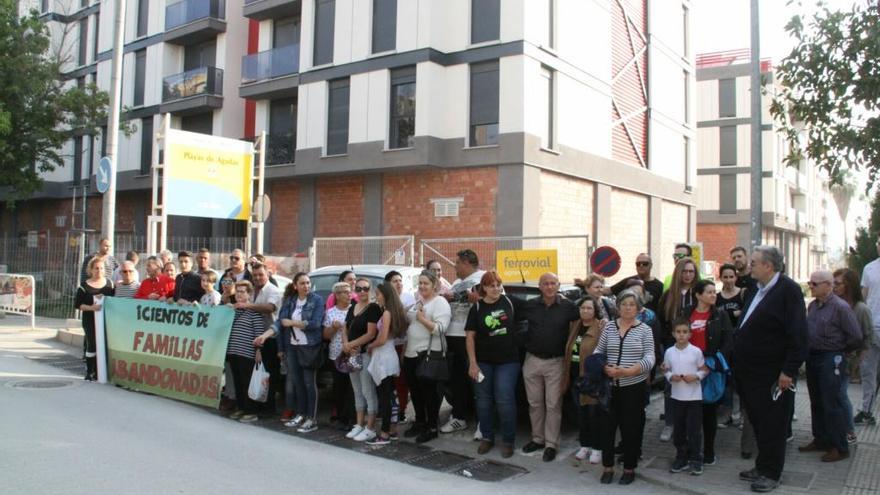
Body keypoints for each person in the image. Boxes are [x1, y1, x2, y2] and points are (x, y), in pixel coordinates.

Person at [733, 246, 808, 493]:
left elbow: (798, 334)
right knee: (757, 421)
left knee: (773, 424)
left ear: (769, 266)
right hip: (749, 372)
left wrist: (788, 371)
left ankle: (771, 473)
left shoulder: (788, 291)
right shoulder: (756, 288)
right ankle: (761, 465)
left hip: (773, 373)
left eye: (754, 262)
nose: (749, 266)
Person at [798, 270, 862, 462]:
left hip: (831, 357)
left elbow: (856, 336)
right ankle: (821, 439)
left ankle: (839, 446)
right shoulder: (813, 307)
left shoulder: (840, 307)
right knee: (817, 399)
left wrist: (840, 352)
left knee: (831, 402)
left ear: (828, 285)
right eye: (810, 283)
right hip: (814, 356)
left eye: (814, 284)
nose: (810, 286)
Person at [595, 290, 656, 485]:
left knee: (631, 429)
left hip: (633, 388)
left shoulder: (645, 330)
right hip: (609, 388)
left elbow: (650, 358)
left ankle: (629, 468)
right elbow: (599, 351)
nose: (628, 307)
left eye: (632, 304)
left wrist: (629, 372)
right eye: (624, 304)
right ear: (618, 307)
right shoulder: (609, 328)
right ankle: (607, 467)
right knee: (606, 429)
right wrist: (603, 366)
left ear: (638, 308)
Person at [520, 272, 580, 462]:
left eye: (553, 283)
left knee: (553, 404)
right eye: (545, 283)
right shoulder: (530, 305)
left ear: (558, 285)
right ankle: (537, 439)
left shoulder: (568, 307)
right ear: (540, 286)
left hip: (556, 362)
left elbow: (586, 318)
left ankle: (551, 444)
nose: (549, 287)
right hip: (532, 360)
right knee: (535, 403)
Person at [255, 272, 324, 432]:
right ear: (295, 286)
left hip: (309, 346)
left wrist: (293, 322)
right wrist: (265, 336)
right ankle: (300, 414)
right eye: (302, 283)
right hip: (291, 346)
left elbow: (315, 323)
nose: (306, 286)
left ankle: (311, 418)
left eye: (308, 283)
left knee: (309, 383)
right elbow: (280, 322)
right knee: (298, 382)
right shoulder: (290, 301)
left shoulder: (317, 300)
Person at [466, 271, 522, 458]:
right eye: (491, 285)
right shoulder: (477, 308)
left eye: (498, 284)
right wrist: (473, 363)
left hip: (508, 361)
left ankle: (508, 441)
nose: (496, 288)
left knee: (504, 398)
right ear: (484, 288)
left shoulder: (510, 302)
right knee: (483, 401)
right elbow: (470, 337)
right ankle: (487, 438)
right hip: (483, 362)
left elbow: (535, 307)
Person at [687, 279, 733, 466]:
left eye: (715, 292)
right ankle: (691, 451)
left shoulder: (720, 315)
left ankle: (709, 451)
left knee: (708, 413)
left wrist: (712, 364)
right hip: (688, 367)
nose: (714, 295)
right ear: (698, 295)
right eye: (709, 292)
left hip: (709, 368)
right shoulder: (686, 313)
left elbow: (728, 342)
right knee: (690, 413)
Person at [403, 270, 452, 444]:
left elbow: (440, 329)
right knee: (415, 393)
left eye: (426, 283)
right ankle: (420, 422)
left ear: (434, 285)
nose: (422, 286)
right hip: (411, 353)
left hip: (428, 355)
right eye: (420, 283)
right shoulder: (419, 301)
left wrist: (422, 319)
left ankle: (432, 427)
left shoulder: (440, 303)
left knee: (430, 394)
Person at [441, 249, 485, 434]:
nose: (455, 267)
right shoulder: (457, 282)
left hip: (473, 338)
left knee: (479, 381)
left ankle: (484, 422)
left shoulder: (485, 278)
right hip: (453, 337)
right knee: (456, 380)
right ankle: (458, 417)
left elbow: (493, 303)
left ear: (466, 263)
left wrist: (477, 300)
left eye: (457, 263)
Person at [658, 257, 701, 442]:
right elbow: (661, 321)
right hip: (671, 346)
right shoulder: (668, 295)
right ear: (678, 273)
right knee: (671, 385)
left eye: (691, 271)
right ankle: (670, 423)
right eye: (684, 271)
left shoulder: (699, 292)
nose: (688, 275)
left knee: (694, 383)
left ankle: (692, 426)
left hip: (695, 346)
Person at [561, 296, 603, 464]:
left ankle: (597, 448)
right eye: (583, 308)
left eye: (589, 308)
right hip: (574, 378)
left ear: (595, 311)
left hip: (592, 380)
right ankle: (584, 445)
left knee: (594, 415)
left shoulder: (601, 327)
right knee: (581, 414)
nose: (585, 311)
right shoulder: (575, 326)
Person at [665, 317, 708, 476]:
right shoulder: (669, 352)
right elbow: (666, 369)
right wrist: (671, 377)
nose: (681, 335)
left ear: (690, 334)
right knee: (679, 430)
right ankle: (681, 457)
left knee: (694, 430)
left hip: (694, 397)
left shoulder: (696, 351)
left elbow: (704, 370)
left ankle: (696, 459)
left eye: (684, 332)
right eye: (678, 332)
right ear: (673, 334)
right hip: (676, 397)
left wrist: (696, 376)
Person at [366, 283, 407, 445]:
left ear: (386, 295)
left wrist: (370, 345)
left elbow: (382, 339)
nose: (376, 296)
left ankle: (384, 433)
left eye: (378, 294)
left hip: (384, 356)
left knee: (385, 397)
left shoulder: (387, 314)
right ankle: (392, 430)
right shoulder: (392, 312)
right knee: (390, 396)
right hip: (388, 355)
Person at [833, 268, 871, 440]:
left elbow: (867, 339)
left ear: (849, 285)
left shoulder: (861, 309)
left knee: (841, 394)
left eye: (838, 283)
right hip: (832, 358)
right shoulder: (834, 304)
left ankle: (849, 431)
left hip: (848, 360)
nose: (834, 287)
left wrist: (857, 363)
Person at [342, 277, 382, 442]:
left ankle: (371, 427)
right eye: (359, 289)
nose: (362, 292)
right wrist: (346, 344)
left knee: (368, 390)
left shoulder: (373, 308)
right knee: (357, 390)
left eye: (365, 288)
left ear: (370, 290)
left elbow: (371, 334)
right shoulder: (352, 307)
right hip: (352, 355)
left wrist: (351, 343)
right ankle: (359, 424)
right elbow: (345, 327)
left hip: (365, 354)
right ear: (354, 291)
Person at [241, 263, 282, 416]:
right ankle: (257, 404)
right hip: (254, 336)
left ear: (268, 274)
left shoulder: (273, 290)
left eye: (261, 275)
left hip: (270, 338)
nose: (257, 278)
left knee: (268, 374)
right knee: (256, 373)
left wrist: (248, 305)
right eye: (255, 275)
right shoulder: (252, 290)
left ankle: (268, 408)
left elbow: (269, 308)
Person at [226, 281, 264, 423]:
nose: (239, 294)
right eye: (237, 291)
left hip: (247, 353)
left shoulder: (254, 312)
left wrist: (259, 351)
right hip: (233, 352)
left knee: (247, 382)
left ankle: (251, 411)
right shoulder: (232, 311)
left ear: (249, 294)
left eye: (243, 291)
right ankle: (241, 407)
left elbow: (259, 333)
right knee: (238, 382)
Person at [75, 257, 115, 380]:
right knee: (92, 344)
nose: (99, 271)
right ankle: (90, 371)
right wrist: (91, 307)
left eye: (101, 268)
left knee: (104, 344)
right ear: (91, 270)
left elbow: (113, 300)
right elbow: (78, 305)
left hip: (106, 320)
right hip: (90, 320)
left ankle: (101, 371)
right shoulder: (84, 286)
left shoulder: (110, 284)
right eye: (96, 268)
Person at [324, 282, 355, 429]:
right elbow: (325, 335)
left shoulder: (355, 310)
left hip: (352, 354)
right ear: (336, 295)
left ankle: (353, 419)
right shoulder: (330, 313)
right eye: (344, 292)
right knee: (340, 388)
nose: (349, 294)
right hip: (336, 355)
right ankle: (342, 418)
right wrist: (333, 328)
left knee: (353, 388)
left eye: (349, 291)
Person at [385, 269, 414, 423]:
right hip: (388, 345)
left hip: (405, 344)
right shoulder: (384, 300)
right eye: (395, 281)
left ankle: (401, 410)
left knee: (402, 380)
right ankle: (388, 410)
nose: (399, 283)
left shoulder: (409, 298)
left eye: (400, 280)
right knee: (389, 381)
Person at [857, 236, 880, 427]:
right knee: (868, 372)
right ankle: (866, 411)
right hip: (872, 327)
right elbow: (863, 298)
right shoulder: (869, 268)